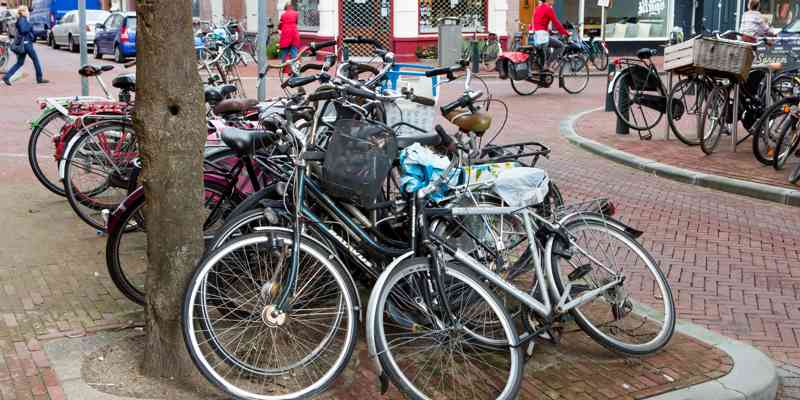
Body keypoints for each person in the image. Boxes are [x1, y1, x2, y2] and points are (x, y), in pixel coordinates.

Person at [3, 5, 48, 86]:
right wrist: (30, 26)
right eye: (26, 10)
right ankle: (39, 78)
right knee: (35, 60)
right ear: (23, 12)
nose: (28, 12)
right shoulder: (22, 19)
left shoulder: (22, 19)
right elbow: (24, 30)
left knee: (19, 63)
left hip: (24, 44)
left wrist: (39, 32)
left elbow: (28, 31)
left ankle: (7, 77)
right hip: (26, 44)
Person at [531, 0, 570, 70]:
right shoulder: (548, 9)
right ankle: (547, 65)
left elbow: (538, 22)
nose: (554, 0)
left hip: (537, 36)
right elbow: (556, 22)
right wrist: (565, 33)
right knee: (561, 46)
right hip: (542, 36)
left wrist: (549, 31)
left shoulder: (538, 8)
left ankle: (544, 66)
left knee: (546, 51)